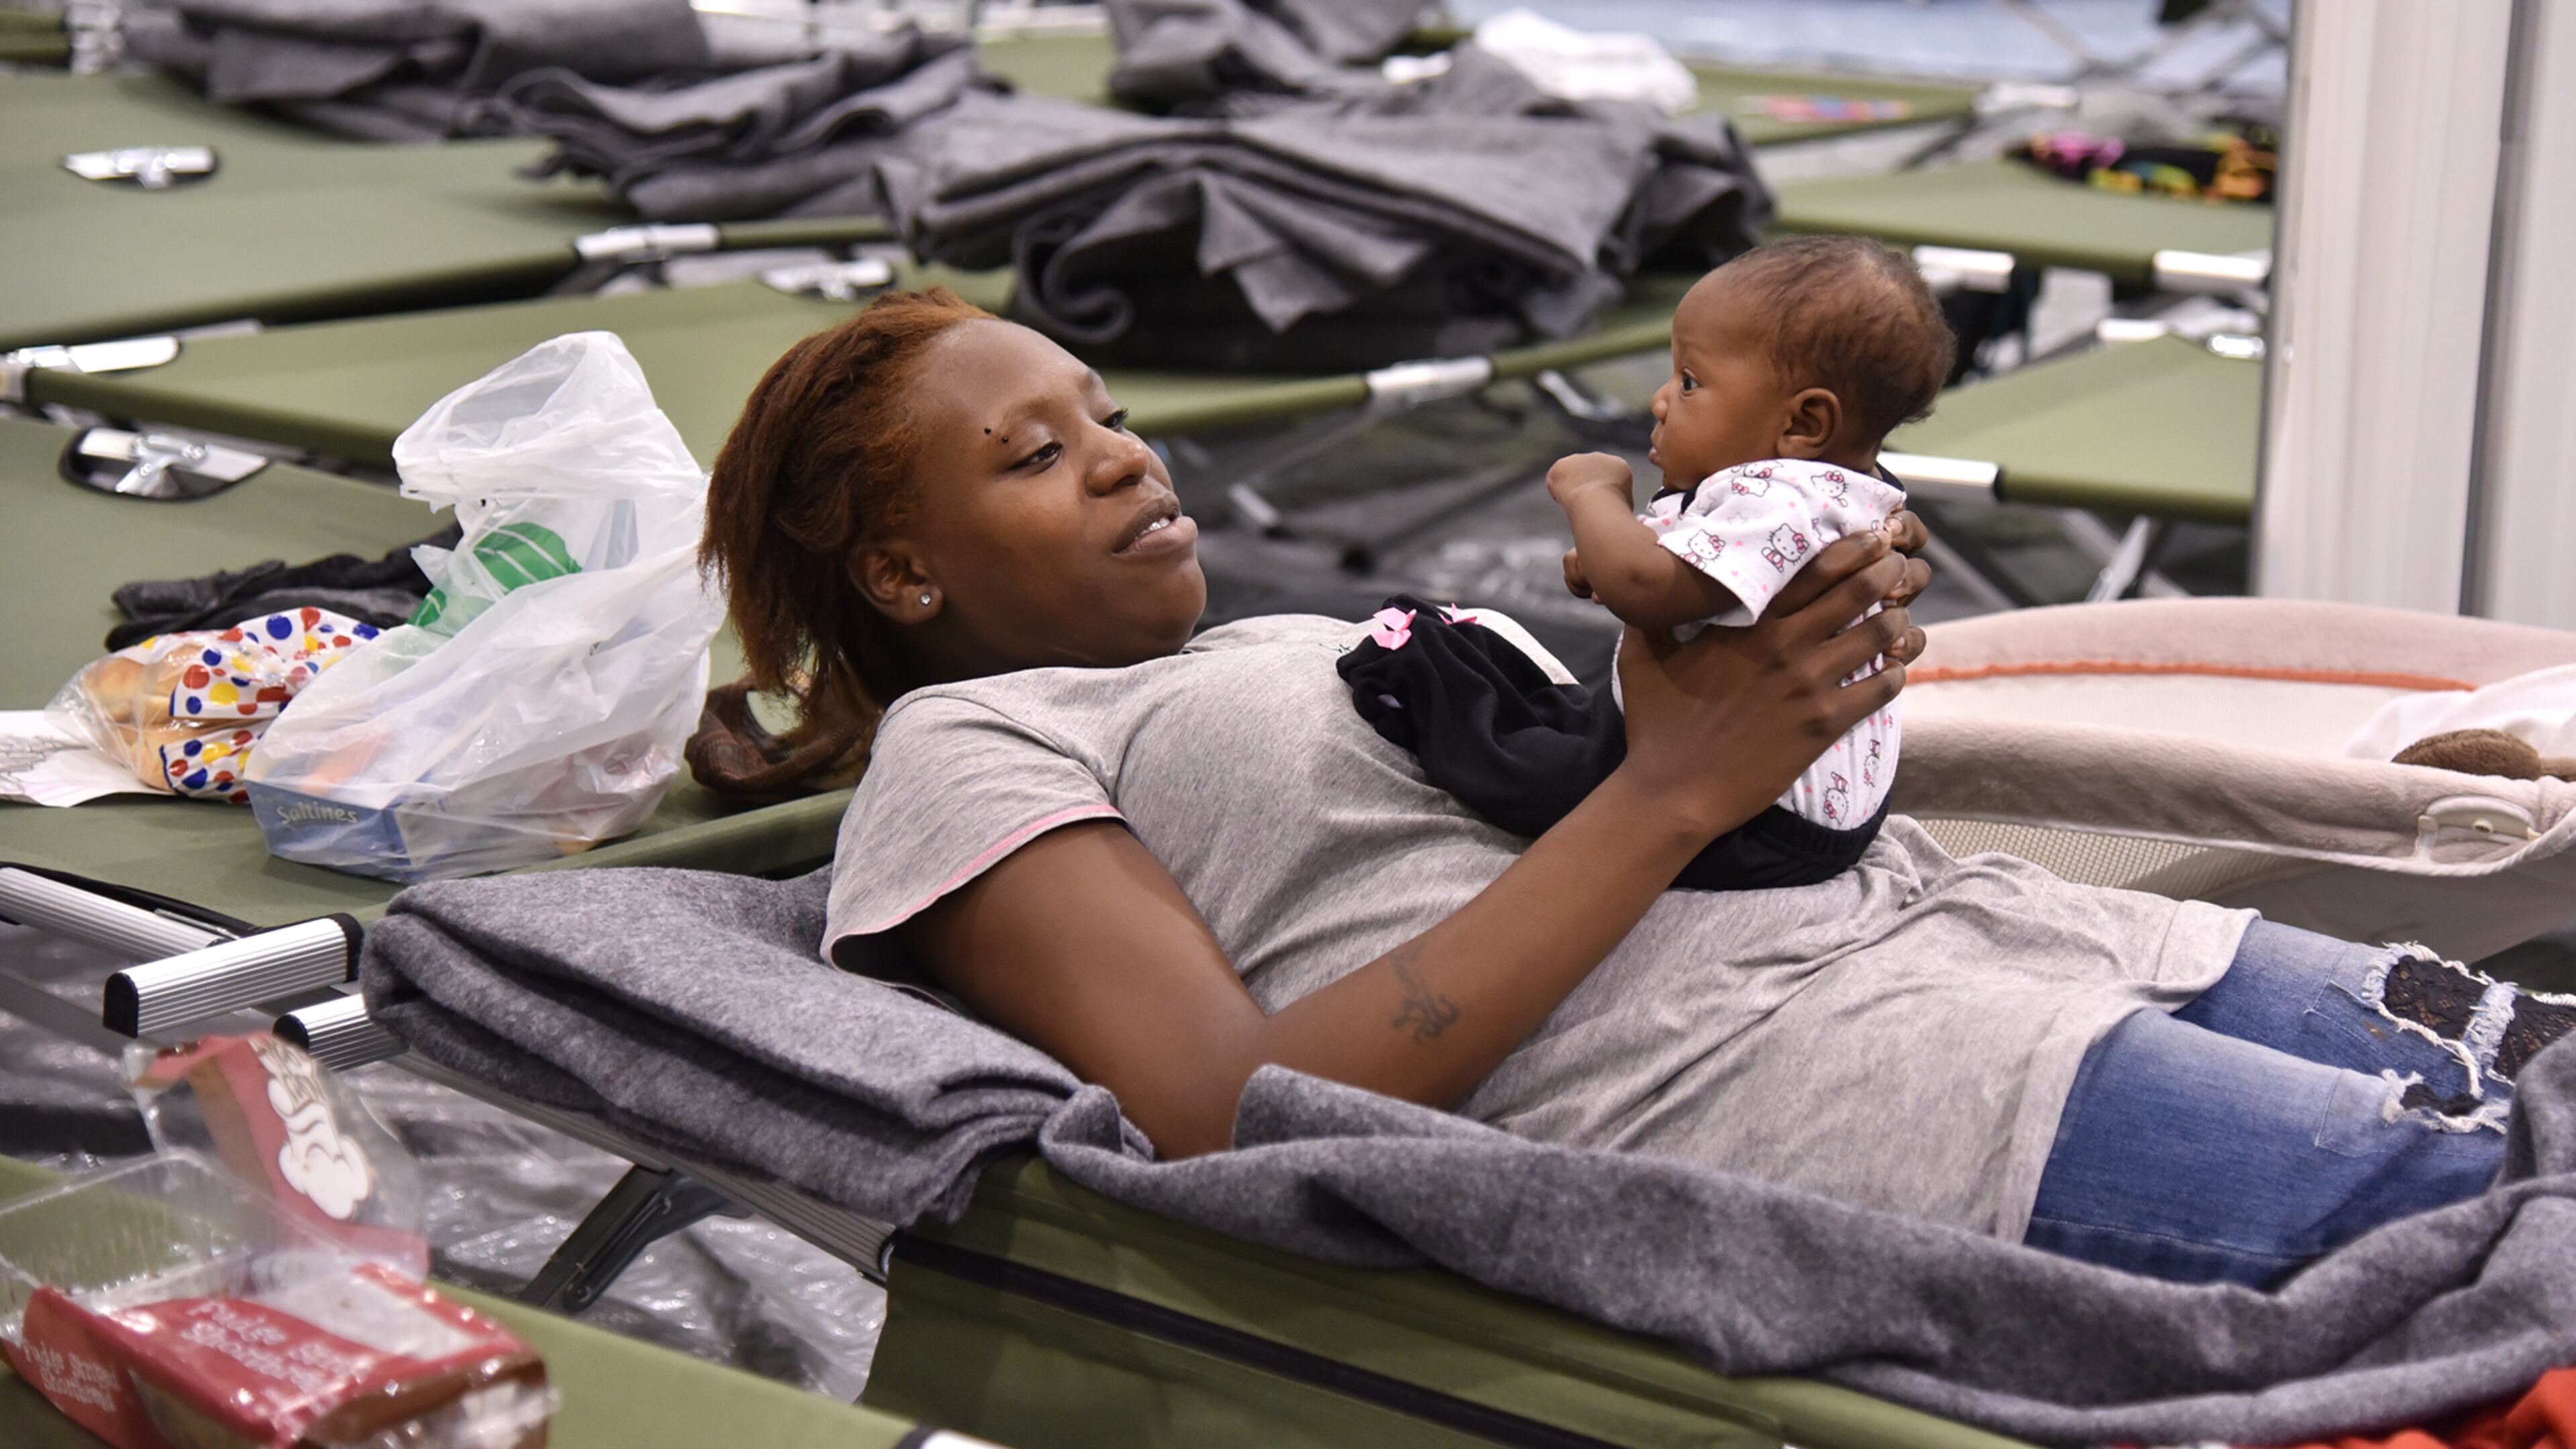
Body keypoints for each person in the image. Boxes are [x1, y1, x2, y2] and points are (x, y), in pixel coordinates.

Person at [698, 284, 2575, 1289]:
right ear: (902, 576)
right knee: (2488, 1210)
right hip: (1879, 1089)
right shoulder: (973, 756)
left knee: (2545, 1069)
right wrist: (1670, 790)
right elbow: (1213, 1117)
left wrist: (1791, 654)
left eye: (1104, 412)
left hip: (2013, 943)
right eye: (1037, 456)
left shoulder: (1234, 653)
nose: (1122, 459)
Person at [1334, 236, 1943, 893]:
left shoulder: (1780, 498)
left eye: (1690, 382)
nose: (1660, 400)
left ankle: (1419, 686)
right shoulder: (1844, 491)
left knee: (1524, 772)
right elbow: (1673, 569)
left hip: (1749, 815)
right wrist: (1609, 555)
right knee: (1560, 713)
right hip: (1802, 804)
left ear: (1804, 423)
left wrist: (1593, 493)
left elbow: (1647, 588)